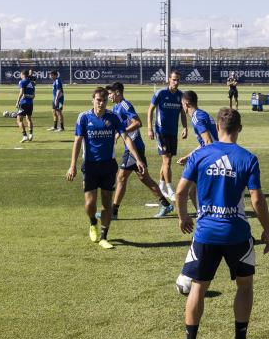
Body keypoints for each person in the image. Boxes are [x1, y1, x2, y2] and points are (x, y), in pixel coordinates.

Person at [174, 108, 269, 339]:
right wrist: (268, 229)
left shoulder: (200, 155)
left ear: (217, 128)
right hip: (237, 234)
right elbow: (257, 199)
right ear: (239, 128)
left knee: (198, 286)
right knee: (245, 286)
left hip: (206, 233)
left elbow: (180, 192)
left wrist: (183, 216)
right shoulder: (248, 158)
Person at [65, 86, 146, 249]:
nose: (101, 103)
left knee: (107, 202)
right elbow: (78, 142)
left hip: (108, 165)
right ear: (93, 100)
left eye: (103, 100)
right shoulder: (83, 117)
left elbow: (126, 138)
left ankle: (104, 236)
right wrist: (72, 165)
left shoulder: (113, 117)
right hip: (90, 165)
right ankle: (93, 222)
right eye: (98, 100)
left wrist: (138, 159)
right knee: (90, 204)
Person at [106, 82, 172, 219]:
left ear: (118, 92)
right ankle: (166, 205)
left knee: (121, 177)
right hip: (131, 147)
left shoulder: (125, 105)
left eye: (110, 93)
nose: (109, 96)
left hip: (134, 147)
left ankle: (113, 212)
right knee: (144, 178)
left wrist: (121, 132)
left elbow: (138, 123)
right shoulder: (115, 106)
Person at [147, 70, 187, 200]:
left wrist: (185, 127)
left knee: (166, 161)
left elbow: (182, 113)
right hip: (161, 131)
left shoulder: (181, 95)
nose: (176, 82)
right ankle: (170, 190)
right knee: (167, 160)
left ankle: (162, 186)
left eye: (178, 80)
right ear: (169, 79)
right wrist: (149, 129)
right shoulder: (160, 93)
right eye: (174, 79)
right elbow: (150, 110)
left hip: (173, 132)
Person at [178, 89, 217, 164]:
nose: (182, 107)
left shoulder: (197, 118)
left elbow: (208, 142)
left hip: (214, 157)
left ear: (186, 104)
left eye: (182, 104)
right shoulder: (201, 114)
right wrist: (188, 157)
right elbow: (204, 143)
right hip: (217, 152)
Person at [16, 69, 36, 142]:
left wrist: (17, 101)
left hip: (23, 103)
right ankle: (31, 134)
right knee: (29, 119)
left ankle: (24, 135)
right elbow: (33, 95)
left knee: (19, 120)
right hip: (30, 104)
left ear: (23, 74)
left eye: (21, 75)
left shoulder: (22, 82)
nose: (20, 76)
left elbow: (21, 92)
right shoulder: (31, 83)